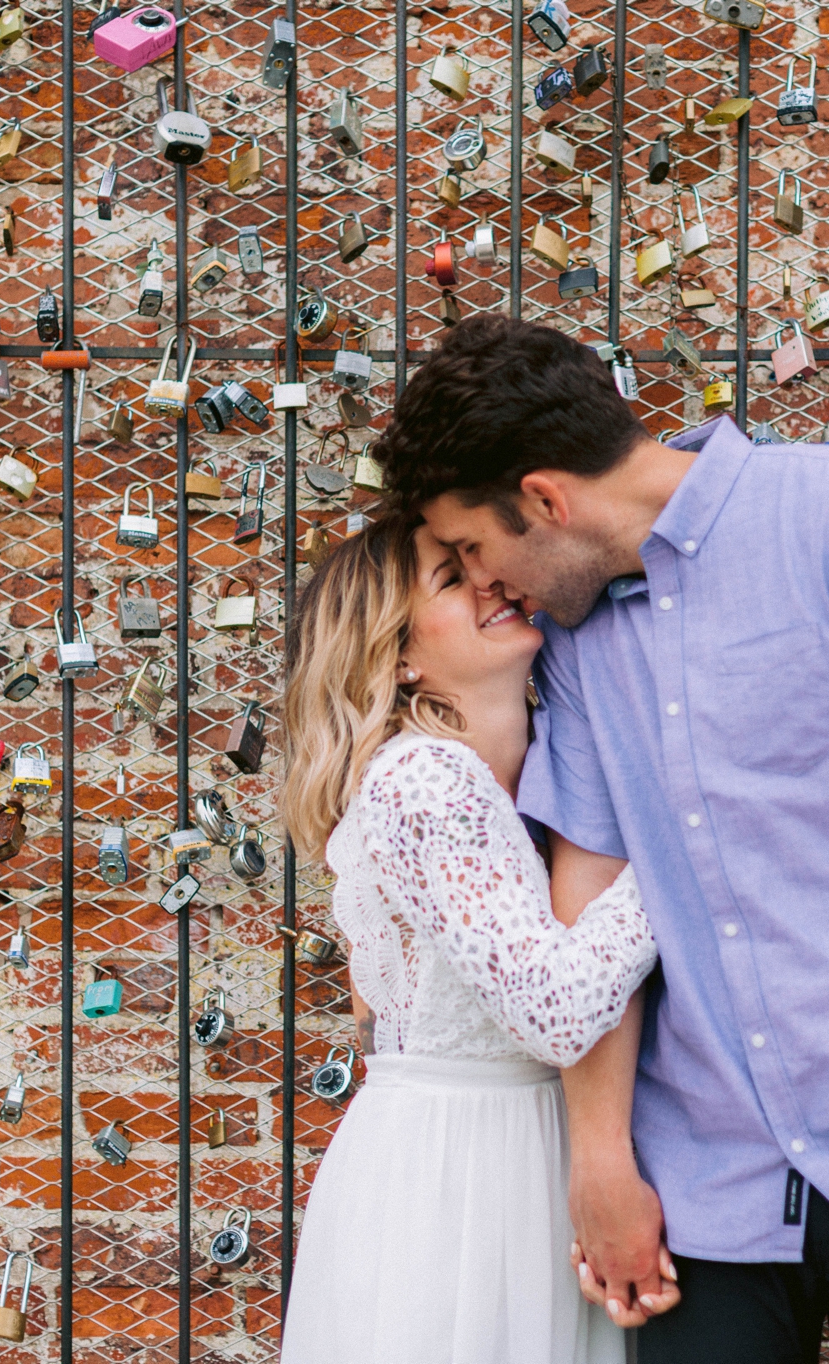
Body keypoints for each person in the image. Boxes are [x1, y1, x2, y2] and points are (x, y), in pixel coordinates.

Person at [371, 315, 829, 1364]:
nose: (485, 583)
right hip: (699, 1195)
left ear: (545, 498)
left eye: (475, 545)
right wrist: (600, 1157)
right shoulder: (570, 638)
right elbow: (589, 885)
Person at [278, 512, 663, 1364]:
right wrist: (685, 841)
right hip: (458, 1179)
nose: (489, 579)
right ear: (398, 655)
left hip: (514, 1150)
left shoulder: (523, 777)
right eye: (451, 579)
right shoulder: (426, 781)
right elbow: (558, 1011)